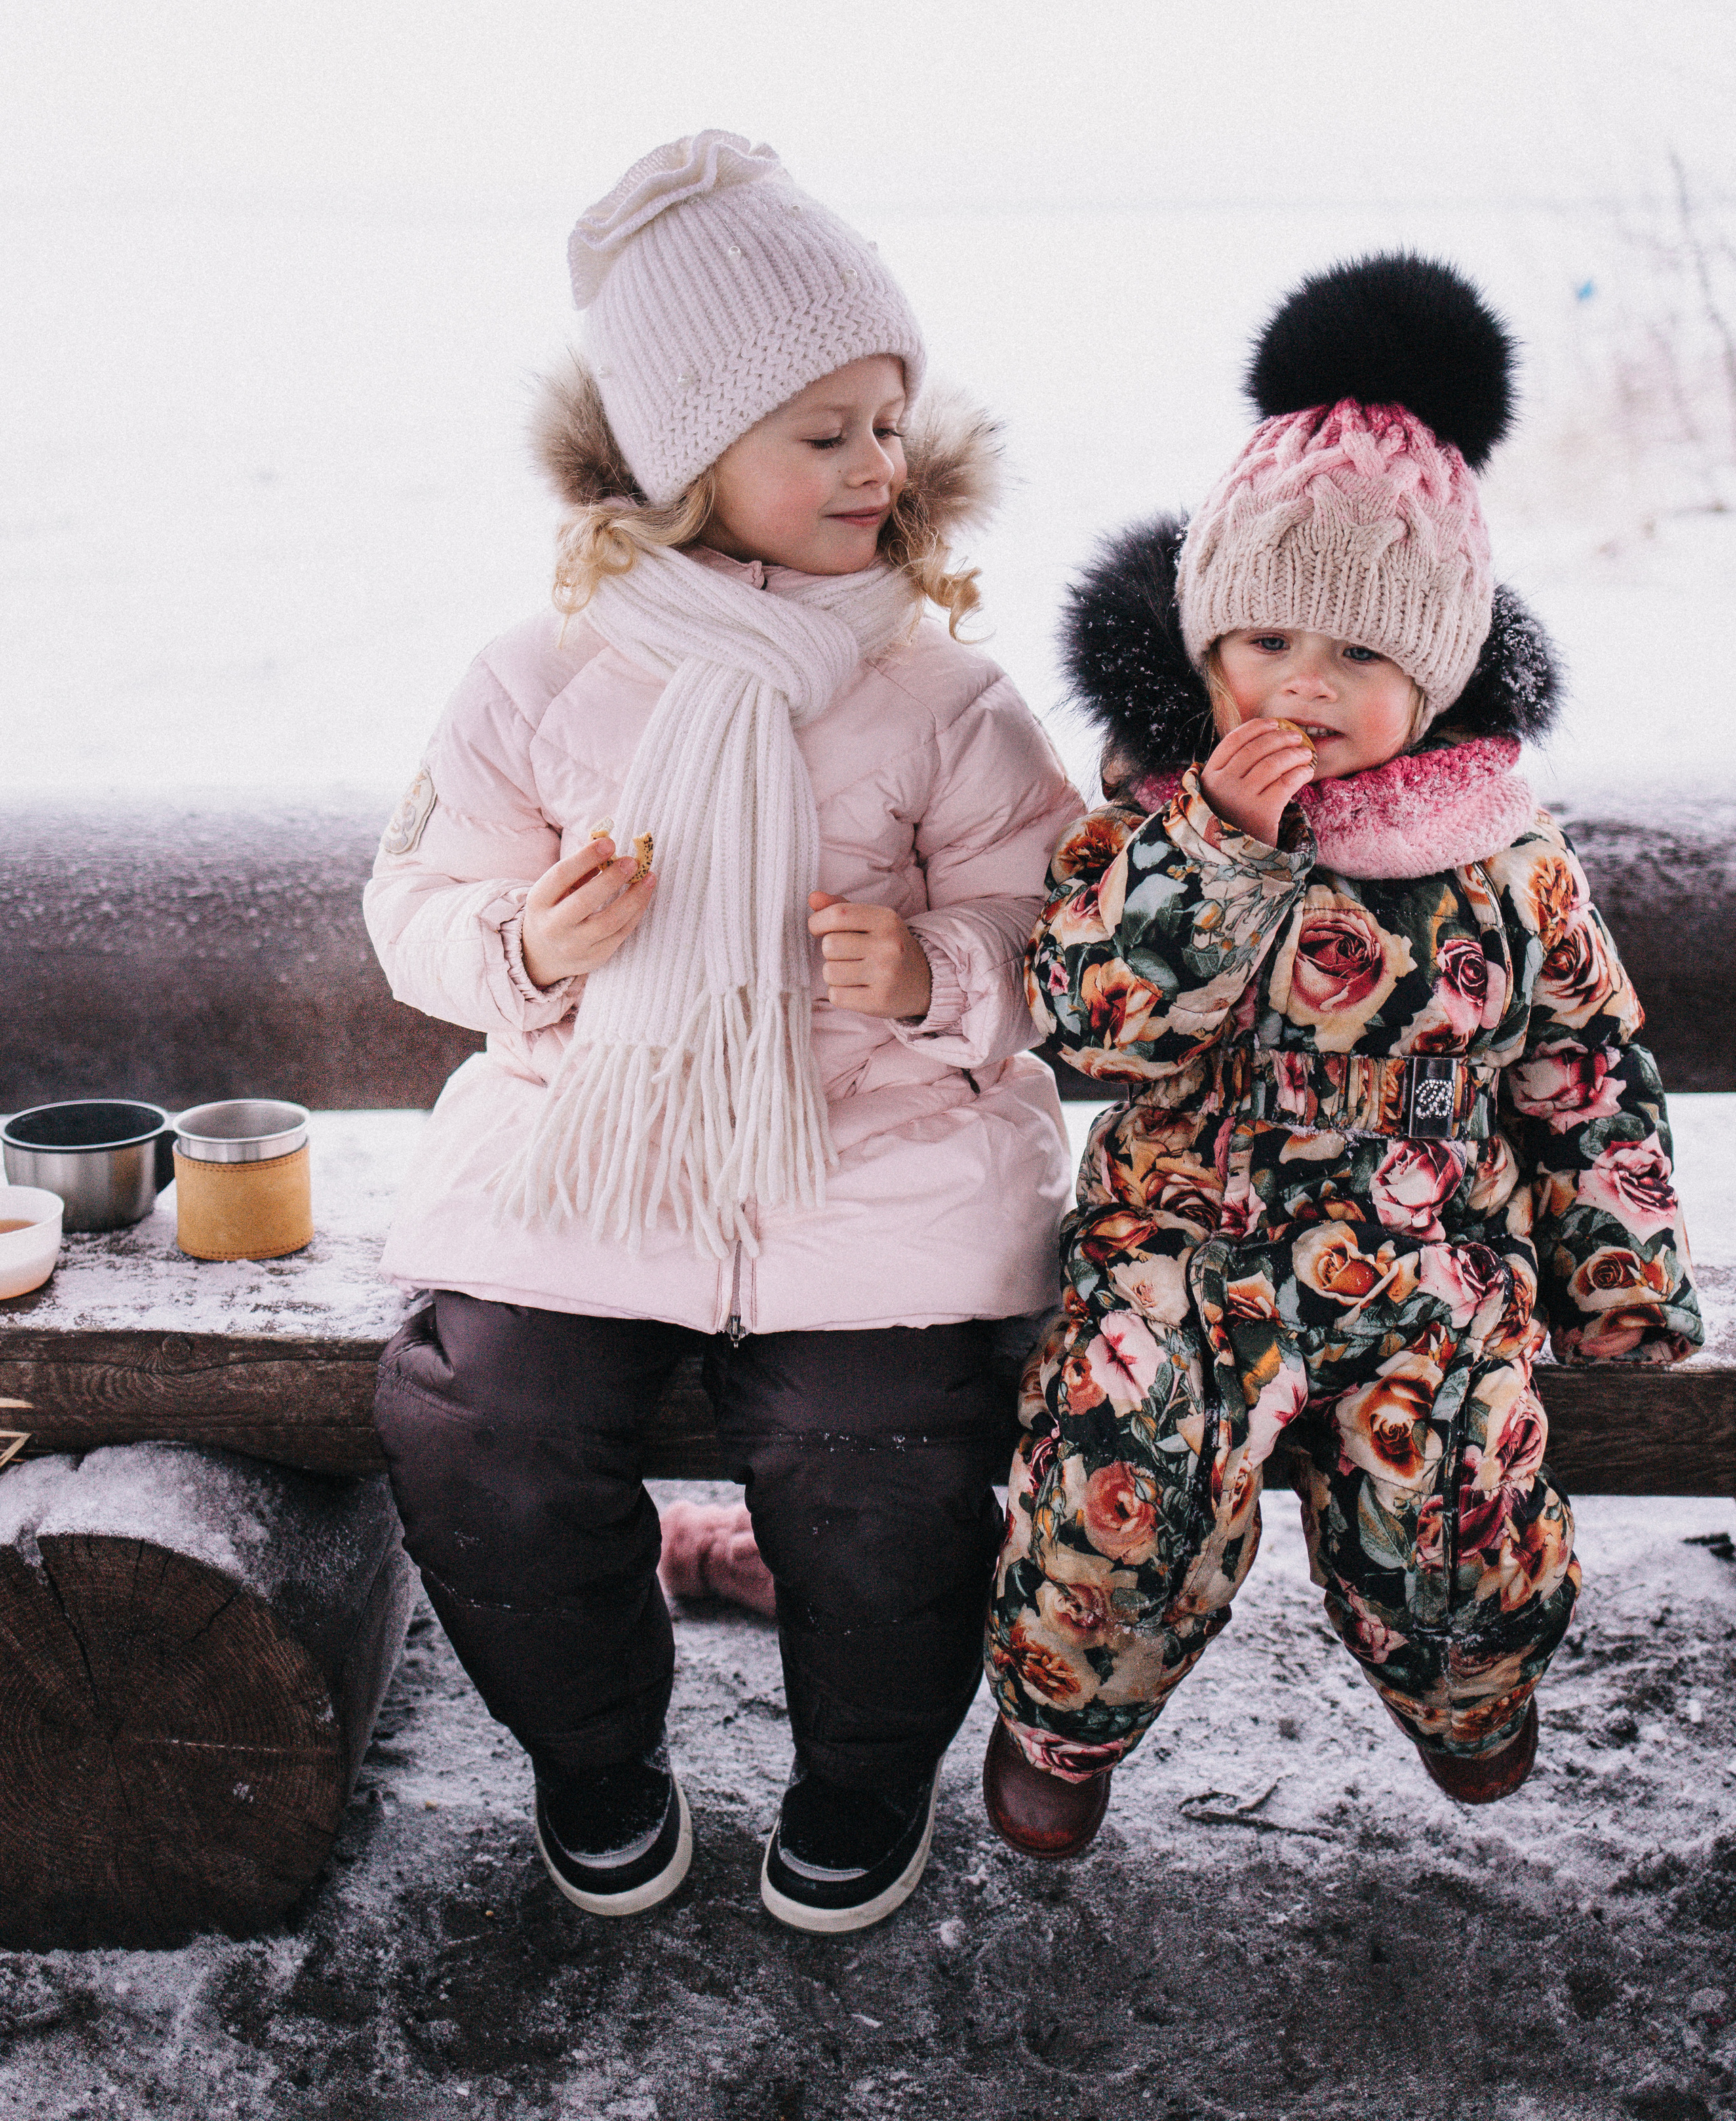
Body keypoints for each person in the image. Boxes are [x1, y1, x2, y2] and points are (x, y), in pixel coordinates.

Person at [364, 130, 1082, 1929]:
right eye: (821, 433)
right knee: (481, 1418)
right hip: (593, 1150)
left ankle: (861, 1782)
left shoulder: (943, 694)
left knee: (887, 1454)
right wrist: (529, 940)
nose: (877, 466)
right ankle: (600, 1759)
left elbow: (1068, 925)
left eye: (888, 422)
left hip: (879, 1163)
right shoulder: (540, 678)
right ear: (690, 464)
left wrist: (937, 973)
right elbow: (418, 907)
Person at [980, 253, 1701, 1857]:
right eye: (1264, 642)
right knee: (1129, 1454)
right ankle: (1063, 1716)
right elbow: (1090, 1015)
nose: (1303, 685)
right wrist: (1218, 853)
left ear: (1434, 673)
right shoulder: (1156, 820)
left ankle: (1468, 1692)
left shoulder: (1505, 862)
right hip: (1184, 1233)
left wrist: (1621, 1264)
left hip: (1420, 1234)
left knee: (1453, 1478)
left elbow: (1581, 1067)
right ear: (1201, 640)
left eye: (1361, 660)